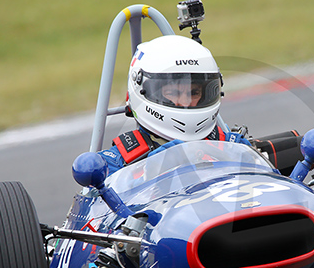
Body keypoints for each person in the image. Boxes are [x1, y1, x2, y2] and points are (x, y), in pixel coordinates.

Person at [98, 35, 249, 174]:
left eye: (194, 93)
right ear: (142, 90)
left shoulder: (233, 147)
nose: (185, 102)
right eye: (172, 93)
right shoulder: (115, 164)